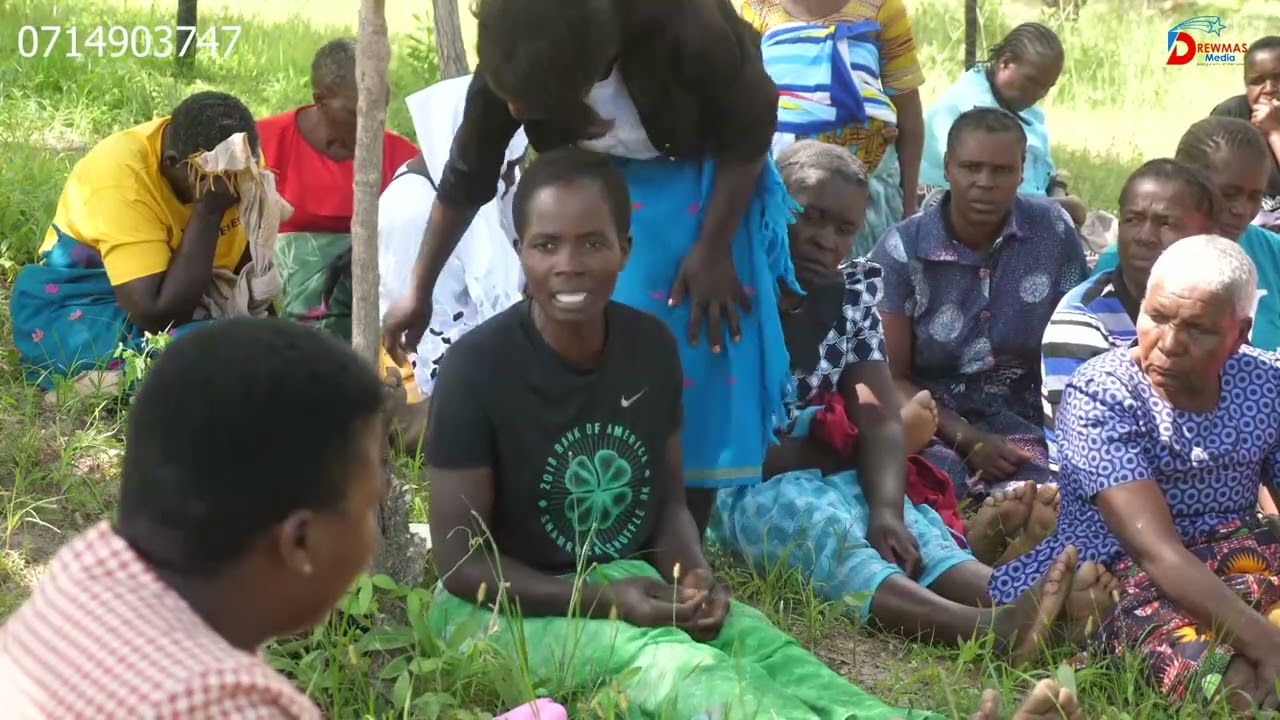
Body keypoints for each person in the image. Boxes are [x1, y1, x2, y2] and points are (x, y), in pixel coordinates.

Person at [424, 146, 1085, 720]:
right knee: (685, 671)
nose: (569, 263)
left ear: (626, 248)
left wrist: (693, 576)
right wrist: (609, 603)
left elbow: (669, 506)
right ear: (520, 252)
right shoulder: (477, 370)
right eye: (547, 245)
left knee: (769, 648)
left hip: (618, 574)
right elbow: (460, 565)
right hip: (495, 606)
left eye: (592, 243)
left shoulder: (648, 350)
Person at [382, 0, 800, 533]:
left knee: (695, 341)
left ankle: (681, 526)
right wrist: (419, 289)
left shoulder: (683, 24)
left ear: (590, 67)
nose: (514, 111)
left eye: (529, 103)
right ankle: (598, 506)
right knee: (591, 341)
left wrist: (714, 248)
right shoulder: (518, 45)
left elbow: (752, 122)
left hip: (708, 179)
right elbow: (468, 174)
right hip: (601, 181)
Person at [710, 141, 1110, 656]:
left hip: (825, 461)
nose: (825, 240)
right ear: (769, 206)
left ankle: (1025, 603)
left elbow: (878, 422)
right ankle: (987, 631)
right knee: (823, 527)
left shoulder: (849, 298)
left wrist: (885, 511)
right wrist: (840, 454)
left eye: (844, 229)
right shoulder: (729, 295)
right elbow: (732, 451)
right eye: (809, 217)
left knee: (909, 523)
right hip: (737, 486)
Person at [0, 318, 387, 717]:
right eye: (367, 507)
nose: (371, 534)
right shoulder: (229, 709)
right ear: (300, 541)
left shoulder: (82, 580)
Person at [993, 236, 1280, 710]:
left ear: (1240, 333)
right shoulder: (1102, 394)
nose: (1168, 344)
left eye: (1198, 329)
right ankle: (1066, 623)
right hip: (1122, 575)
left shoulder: (1266, 382)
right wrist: (1266, 644)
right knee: (1233, 684)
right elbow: (1155, 551)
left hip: (1241, 555)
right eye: (1157, 316)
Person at [868, 108, 1088, 499]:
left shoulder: (1053, 231)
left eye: (1002, 170)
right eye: (971, 167)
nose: (984, 183)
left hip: (1023, 412)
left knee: (1047, 490)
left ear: (1022, 171)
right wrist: (968, 438)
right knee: (933, 485)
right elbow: (890, 375)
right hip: (930, 415)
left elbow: (1073, 341)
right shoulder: (903, 248)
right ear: (947, 167)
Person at [9, 91, 275, 392]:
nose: (236, 187)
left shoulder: (236, 156)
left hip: (188, 293)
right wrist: (209, 210)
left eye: (245, 173)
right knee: (227, 351)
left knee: (267, 345)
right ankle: (101, 383)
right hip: (94, 300)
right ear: (171, 163)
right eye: (223, 180)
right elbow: (159, 319)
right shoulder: (122, 178)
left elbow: (247, 258)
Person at [1041, 159, 1218, 473]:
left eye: (1166, 223)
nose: (1145, 236)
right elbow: (1089, 452)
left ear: (1206, 234)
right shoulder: (1082, 321)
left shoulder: (1216, 309)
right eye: (1133, 219)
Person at [378, 74, 527, 401]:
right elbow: (427, 344)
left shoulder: (501, 189)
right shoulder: (409, 210)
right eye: (506, 166)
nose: (510, 178)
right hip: (433, 392)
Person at [738, 0, 926, 257]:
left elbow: (909, 112)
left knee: (862, 277)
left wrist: (909, 207)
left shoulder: (880, 7)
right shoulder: (759, 8)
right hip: (779, 190)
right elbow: (742, 100)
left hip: (864, 198)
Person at [263, 38, 419, 341]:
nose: (373, 121)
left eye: (381, 107)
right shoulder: (266, 146)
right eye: (357, 111)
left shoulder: (403, 161)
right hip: (277, 321)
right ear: (319, 100)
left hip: (371, 325)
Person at [1092, 117, 1280, 353]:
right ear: (1185, 183)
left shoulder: (1273, 252)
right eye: (1228, 194)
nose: (1241, 209)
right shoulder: (1133, 260)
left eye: (1254, 197)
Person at [917, 23, 1087, 226]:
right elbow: (998, 200)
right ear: (1005, 63)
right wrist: (1067, 207)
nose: (1040, 94)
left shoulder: (1021, 107)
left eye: (1047, 87)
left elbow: (1042, 177)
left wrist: (1058, 192)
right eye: (1033, 82)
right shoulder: (973, 119)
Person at [1210, 36, 1280, 232]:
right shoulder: (1229, 114)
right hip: (1245, 217)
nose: (1269, 89)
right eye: (1257, 81)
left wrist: (1274, 131)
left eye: (1278, 77)